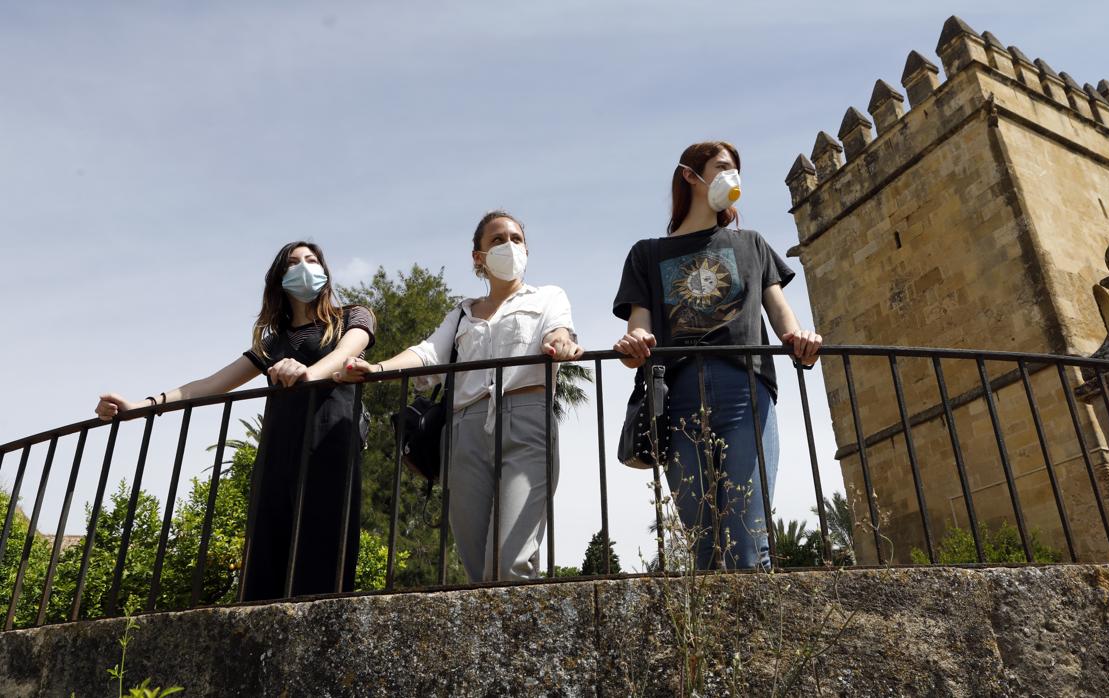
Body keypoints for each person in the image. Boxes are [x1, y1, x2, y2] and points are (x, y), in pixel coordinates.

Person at [95, 241, 376, 600]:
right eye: (293, 263)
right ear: (279, 278)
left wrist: (307, 374)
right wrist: (142, 405)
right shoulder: (272, 343)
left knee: (324, 550)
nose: (304, 267)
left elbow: (345, 354)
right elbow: (211, 384)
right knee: (266, 556)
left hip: (329, 446)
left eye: (312, 260)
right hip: (277, 452)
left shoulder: (352, 316)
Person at [339, 210, 582, 582]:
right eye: (498, 240)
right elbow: (428, 354)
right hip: (464, 430)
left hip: (526, 419)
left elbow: (558, 331)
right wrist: (377, 369)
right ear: (478, 256)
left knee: (509, 561)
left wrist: (561, 342)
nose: (509, 246)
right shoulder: (462, 313)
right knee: (474, 561)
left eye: (516, 239)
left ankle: (519, 636)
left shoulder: (549, 296)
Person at [612, 141, 822, 570]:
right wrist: (633, 345)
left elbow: (780, 311)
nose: (734, 178)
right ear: (690, 175)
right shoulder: (647, 253)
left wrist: (800, 338)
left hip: (745, 390)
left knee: (749, 540)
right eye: (723, 167)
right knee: (703, 543)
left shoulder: (753, 244)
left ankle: (762, 637)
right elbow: (639, 325)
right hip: (677, 397)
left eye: (737, 169)